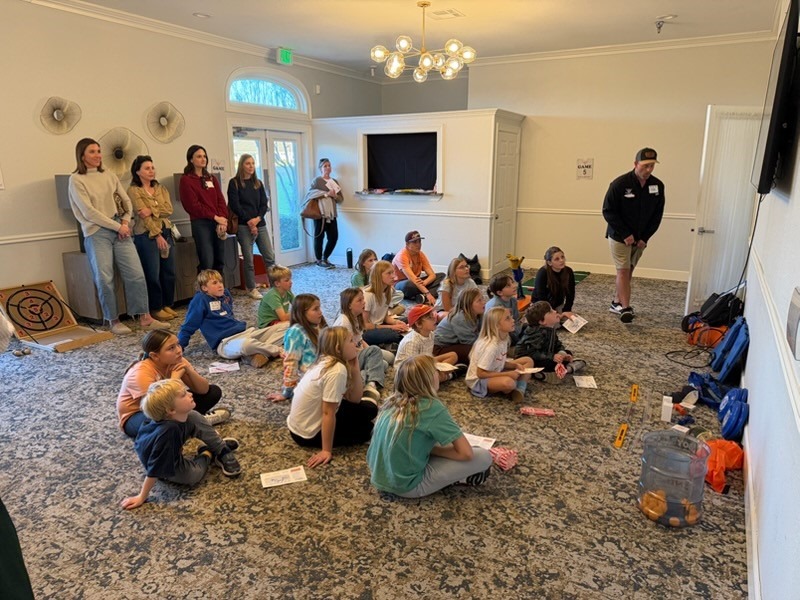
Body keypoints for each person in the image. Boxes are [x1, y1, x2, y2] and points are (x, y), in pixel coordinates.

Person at [67, 138, 168, 335]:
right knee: (105, 278)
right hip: (96, 232)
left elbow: (126, 201)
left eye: (98, 151)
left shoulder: (109, 175)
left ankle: (145, 317)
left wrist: (125, 222)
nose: (98, 155)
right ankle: (113, 320)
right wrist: (118, 226)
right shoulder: (76, 179)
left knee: (136, 274)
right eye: (92, 151)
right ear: (82, 156)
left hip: (120, 228)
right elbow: (88, 212)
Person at [366, 355, 493, 498]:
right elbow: (466, 453)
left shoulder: (392, 402)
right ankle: (458, 478)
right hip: (408, 486)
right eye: (436, 371)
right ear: (429, 379)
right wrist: (434, 450)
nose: (439, 374)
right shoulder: (432, 407)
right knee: (483, 456)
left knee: (434, 440)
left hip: (380, 478)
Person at [121, 379, 242, 510]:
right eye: (183, 394)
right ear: (171, 410)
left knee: (193, 416)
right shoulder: (168, 433)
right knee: (193, 475)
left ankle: (221, 449)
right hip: (165, 464)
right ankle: (207, 452)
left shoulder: (174, 417)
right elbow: (154, 468)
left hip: (170, 444)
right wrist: (142, 496)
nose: (190, 394)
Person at [286, 326, 378, 468]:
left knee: (370, 409)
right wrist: (326, 450)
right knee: (367, 429)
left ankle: (369, 394)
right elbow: (328, 412)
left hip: (300, 425)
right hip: (307, 434)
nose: (355, 344)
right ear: (338, 348)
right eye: (350, 341)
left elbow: (354, 399)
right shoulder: (337, 370)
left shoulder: (327, 360)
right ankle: (371, 392)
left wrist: (355, 368)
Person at [117, 330, 230, 439]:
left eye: (178, 344)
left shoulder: (176, 360)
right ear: (155, 356)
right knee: (165, 424)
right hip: (139, 414)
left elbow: (204, 390)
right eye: (171, 348)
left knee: (213, 392)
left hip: (168, 405)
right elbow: (159, 407)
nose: (179, 350)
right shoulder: (140, 373)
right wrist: (175, 378)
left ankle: (191, 423)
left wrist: (189, 372)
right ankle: (196, 423)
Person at [602, 147, 665, 323]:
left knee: (628, 271)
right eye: (645, 166)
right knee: (623, 271)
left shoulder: (657, 186)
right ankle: (625, 308)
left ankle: (616, 302)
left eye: (652, 166)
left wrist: (645, 237)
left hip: (640, 239)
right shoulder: (620, 184)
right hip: (619, 236)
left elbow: (657, 215)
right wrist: (625, 234)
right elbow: (608, 211)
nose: (649, 170)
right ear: (635, 164)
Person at [177, 270, 283, 368]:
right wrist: (179, 347)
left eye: (221, 282)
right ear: (205, 288)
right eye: (214, 283)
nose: (220, 285)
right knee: (247, 345)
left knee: (286, 327)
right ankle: (278, 351)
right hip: (225, 343)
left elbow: (229, 315)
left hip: (244, 333)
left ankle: (259, 353)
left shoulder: (226, 294)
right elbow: (188, 326)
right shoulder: (200, 300)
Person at [127, 155, 177, 322]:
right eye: (147, 168)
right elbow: (143, 215)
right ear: (137, 171)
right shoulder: (134, 190)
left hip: (166, 229)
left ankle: (167, 304)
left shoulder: (160, 188)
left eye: (152, 167)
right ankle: (156, 307)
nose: (151, 171)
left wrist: (152, 209)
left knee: (168, 271)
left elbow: (168, 209)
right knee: (153, 273)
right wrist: (156, 235)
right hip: (146, 234)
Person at [227, 154, 275, 299]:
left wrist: (257, 219)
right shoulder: (234, 183)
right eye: (248, 163)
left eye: (253, 163)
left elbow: (263, 204)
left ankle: (275, 286)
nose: (251, 166)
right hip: (243, 226)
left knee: (269, 257)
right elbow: (235, 205)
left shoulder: (258, 183)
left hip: (260, 224)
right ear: (241, 165)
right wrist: (249, 221)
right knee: (249, 259)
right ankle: (251, 288)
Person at [465, 306, 533, 401]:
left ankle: (519, 389)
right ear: (497, 325)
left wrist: (515, 365)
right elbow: (480, 374)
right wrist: (509, 374)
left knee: (528, 360)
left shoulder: (504, 338)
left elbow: (499, 361)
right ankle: (518, 386)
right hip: (479, 380)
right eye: (507, 318)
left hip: (495, 370)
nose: (513, 320)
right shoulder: (491, 347)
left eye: (511, 317)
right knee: (509, 383)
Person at [333, 287, 390, 401]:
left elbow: (360, 340)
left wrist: (369, 351)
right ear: (349, 305)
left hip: (359, 352)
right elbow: (345, 352)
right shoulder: (344, 322)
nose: (364, 302)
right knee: (376, 355)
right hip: (348, 360)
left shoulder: (356, 318)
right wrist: (371, 352)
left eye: (363, 299)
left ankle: (364, 375)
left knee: (385, 362)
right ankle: (371, 384)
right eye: (359, 300)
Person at [268, 293, 327, 402]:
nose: (320, 312)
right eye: (315, 309)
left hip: (322, 373)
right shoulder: (296, 332)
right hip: (311, 380)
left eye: (319, 308)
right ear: (302, 313)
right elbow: (291, 363)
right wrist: (287, 392)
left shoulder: (317, 326)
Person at [179, 144, 228, 273]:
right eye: (199, 156)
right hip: (201, 224)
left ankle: (219, 286)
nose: (203, 159)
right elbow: (192, 206)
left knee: (220, 260)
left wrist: (222, 219)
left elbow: (220, 200)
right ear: (191, 159)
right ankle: (205, 286)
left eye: (204, 156)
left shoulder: (211, 178)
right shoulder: (186, 180)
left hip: (218, 222)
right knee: (207, 261)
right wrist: (215, 217)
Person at [516, 301, 587, 383]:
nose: (555, 311)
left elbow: (557, 344)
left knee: (567, 353)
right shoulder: (536, 334)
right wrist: (552, 356)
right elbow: (532, 353)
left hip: (546, 353)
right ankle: (566, 369)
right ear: (542, 321)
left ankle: (563, 369)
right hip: (531, 359)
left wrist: (562, 353)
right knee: (550, 363)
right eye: (550, 311)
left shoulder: (550, 329)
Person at [395, 304, 460, 383]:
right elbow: (410, 368)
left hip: (424, 363)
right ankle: (448, 376)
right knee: (430, 378)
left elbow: (428, 356)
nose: (434, 318)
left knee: (453, 355)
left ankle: (441, 375)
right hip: (408, 373)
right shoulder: (411, 342)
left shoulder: (431, 334)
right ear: (418, 324)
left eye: (433, 315)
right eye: (430, 317)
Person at [305, 158, 343, 269]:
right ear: (320, 168)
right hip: (319, 214)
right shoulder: (317, 181)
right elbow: (310, 194)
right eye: (325, 166)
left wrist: (334, 196)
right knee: (319, 237)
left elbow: (340, 199)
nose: (327, 168)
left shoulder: (334, 182)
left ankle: (325, 257)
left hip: (331, 214)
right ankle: (318, 260)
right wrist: (326, 194)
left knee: (333, 237)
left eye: (329, 165)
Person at [363, 260, 409, 347]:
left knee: (409, 320)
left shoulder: (389, 291)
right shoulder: (368, 295)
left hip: (380, 325)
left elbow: (385, 317)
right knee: (395, 334)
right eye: (389, 273)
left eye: (393, 272)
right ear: (378, 276)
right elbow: (365, 326)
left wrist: (396, 322)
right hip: (368, 331)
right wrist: (391, 327)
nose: (393, 276)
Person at [433, 288, 485, 364]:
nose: (484, 302)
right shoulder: (460, 318)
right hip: (440, 348)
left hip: (455, 344)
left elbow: (482, 333)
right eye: (479, 300)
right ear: (468, 304)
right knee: (476, 351)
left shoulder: (478, 315)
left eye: (482, 298)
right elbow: (469, 341)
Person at [391, 231, 445, 302]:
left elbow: (432, 275)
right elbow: (412, 279)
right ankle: (427, 294)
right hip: (401, 283)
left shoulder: (420, 254)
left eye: (419, 242)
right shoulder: (402, 256)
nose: (418, 244)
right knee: (409, 284)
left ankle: (422, 297)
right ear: (407, 244)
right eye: (414, 242)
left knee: (442, 276)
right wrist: (427, 293)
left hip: (417, 281)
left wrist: (425, 282)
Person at [352, 248, 404, 314]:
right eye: (370, 260)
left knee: (399, 294)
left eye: (375, 259)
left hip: (377, 294)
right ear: (363, 263)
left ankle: (384, 309)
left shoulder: (374, 272)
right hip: (367, 297)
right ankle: (386, 310)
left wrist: (388, 287)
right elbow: (362, 293)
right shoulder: (357, 276)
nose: (374, 262)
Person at [531, 246, 576, 321]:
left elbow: (570, 293)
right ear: (549, 262)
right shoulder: (542, 273)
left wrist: (566, 310)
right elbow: (541, 296)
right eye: (557, 259)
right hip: (542, 305)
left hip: (557, 304)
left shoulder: (568, 271)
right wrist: (552, 312)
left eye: (562, 257)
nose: (561, 260)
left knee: (570, 321)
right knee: (553, 324)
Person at [256, 266, 294, 342]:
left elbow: (298, 304)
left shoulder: (287, 291)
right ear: (277, 283)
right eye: (287, 280)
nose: (291, 282)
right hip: (268, 324)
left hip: (279, 320)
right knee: (291, 325)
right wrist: (299, 312)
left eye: (290, 279)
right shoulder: (273, 295)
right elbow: (283, 318)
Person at [485, 273, 523, 345]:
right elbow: (497, 329)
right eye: (508, 286)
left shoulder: (513, 300)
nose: (514, 286)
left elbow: (516, 319)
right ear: (500, 292)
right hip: (499, 336)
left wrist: (518, 329)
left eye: (512, 282)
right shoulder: (496, 306)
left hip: (511, 329)